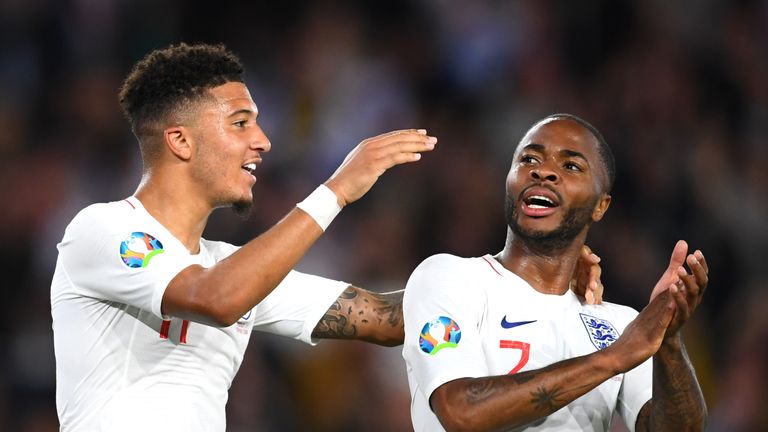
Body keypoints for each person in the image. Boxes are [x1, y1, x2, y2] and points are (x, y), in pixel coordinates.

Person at [50, 43, 603, 430]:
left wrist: (532, 276)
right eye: (241, 122)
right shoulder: (100, 231)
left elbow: (391, 320)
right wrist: (335, 190)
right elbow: (213, 299)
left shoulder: (233, 266)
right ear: (180, 141)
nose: (263, 141)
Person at [402, 114, 708, 431]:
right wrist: (611, 359)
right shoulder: (450, 279)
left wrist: (667, 340)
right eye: (529, 159)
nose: (543, 171)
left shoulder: (620, 326)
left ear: (600, 206)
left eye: (571, 166)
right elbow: (461, 412)